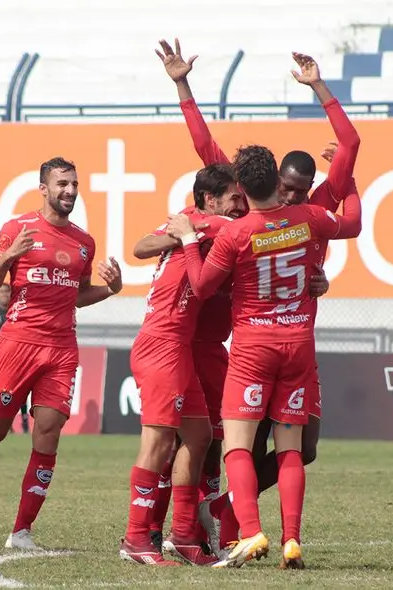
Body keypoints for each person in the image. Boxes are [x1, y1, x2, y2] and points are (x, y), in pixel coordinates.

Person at [154, 40, 363, 556]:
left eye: (300, 189)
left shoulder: (308, 209)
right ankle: (220, 522)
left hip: (277, 341)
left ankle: (231, 514)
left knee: (299, 448)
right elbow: (206, 149)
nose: (291, 196)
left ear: (309, 185)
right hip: (263, 340)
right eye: (285, 189)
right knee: (233, 441)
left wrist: (320, 278)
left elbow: (351, 160)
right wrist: (183, 86)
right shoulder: (274, 210)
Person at [0, 157, 124, 550]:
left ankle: (21, 533)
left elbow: (76, 294)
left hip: (61, 349)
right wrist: (8, 256)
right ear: (43, 188)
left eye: (74, 184)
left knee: (48, 434)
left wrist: (111, 290)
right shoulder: (17, 229)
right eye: (61, 184)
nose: (69, 191)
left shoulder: (83, 243)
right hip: (18, 342)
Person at [118, 165, 243, 566]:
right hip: (162, 345)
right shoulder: (208, 222)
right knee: (158, 444)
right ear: (211, 199)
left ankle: (185, 533)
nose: (241, 205)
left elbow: (140, 246)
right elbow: (140, 246)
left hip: (178, 347)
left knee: (200, 435)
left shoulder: (194, 221)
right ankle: (135, 539)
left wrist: (181, 233)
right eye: (234, 198)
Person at [0, 284, 30, 434]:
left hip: (17, 356)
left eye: (6, 292)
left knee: (21, 390)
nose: (4, 295)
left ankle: (24, 420)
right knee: (1, 389)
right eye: (1, 292)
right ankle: (5, 423)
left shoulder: (18, 311)